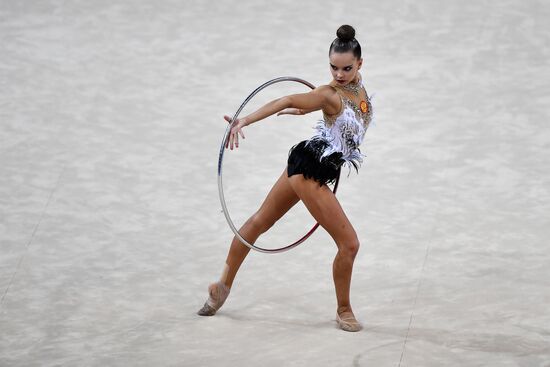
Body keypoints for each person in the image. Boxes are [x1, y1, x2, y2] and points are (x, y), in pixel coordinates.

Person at [198, 24, 373, 332]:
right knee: (350, 244)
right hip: (310, 170)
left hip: (306, 162)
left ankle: (220, 287)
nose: (339, 74)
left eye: (346, 68)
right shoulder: (328, 94)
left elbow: (336, 115)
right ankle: (343, 309)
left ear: (360, 63)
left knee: (259, 221)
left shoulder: (355, 89)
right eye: (333, 67)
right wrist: (245, 120)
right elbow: (289, 100)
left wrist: (313, 110)